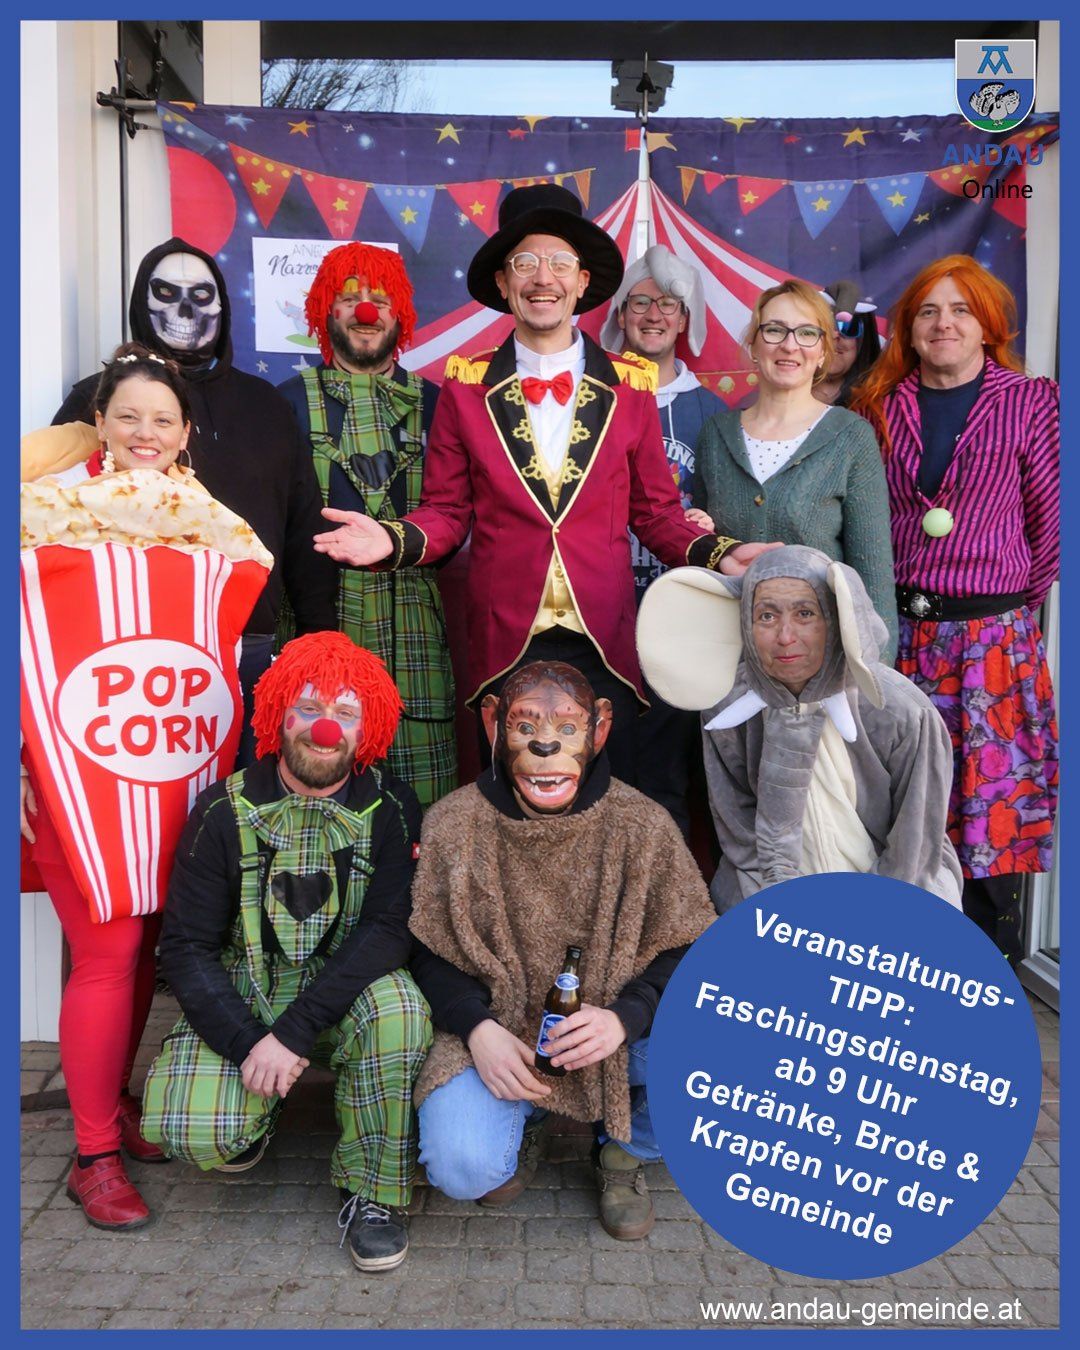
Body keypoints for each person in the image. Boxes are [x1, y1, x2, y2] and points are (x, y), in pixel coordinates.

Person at [310, 184, 777, 786]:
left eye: (558, 263)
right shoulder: (466, 385)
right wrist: (394, 540)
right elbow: (448, 511)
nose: (542, 278)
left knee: (603, 795)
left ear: (582, 282)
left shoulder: (631, 386)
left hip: (603, 632)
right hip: (505, 633)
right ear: (504, 284)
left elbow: (657, 512)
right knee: (511, 797)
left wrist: (722, 551)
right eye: (525, 263)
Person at [20, 343, 272, 1232]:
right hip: (77, 769)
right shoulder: (39, 512)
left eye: (162, 419)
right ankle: (92, 1156)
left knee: (151, 946)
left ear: (185, 432)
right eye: (128, 415)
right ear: (98, 421)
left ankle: (112, 1106)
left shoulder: (210, 518)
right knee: (109, 952)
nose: (145, 433)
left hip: (171, 768)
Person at [140, 632, 432, 1272]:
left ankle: (373, 1191)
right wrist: (250, 1044)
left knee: (402, 1010)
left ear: (368, 728)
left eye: (346, 713)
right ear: (277, 713)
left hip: (346, 994)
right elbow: (185, 947)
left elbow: (389, 931)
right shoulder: (220, 809)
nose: (325, 728)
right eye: (308, 707)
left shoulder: (394, 807)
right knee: (198, 1136)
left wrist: (295, 1033)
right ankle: (255, 1108)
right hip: (251, 989)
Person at [408, 660, 715, 1238]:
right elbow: (428, 945)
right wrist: (476, 1028)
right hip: (501, 1040)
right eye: (526, 727)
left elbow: (690, 940)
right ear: (494, 725)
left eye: (566, 728)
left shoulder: (642, 825)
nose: (546, 745)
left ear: (599, 729)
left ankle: (626, 1149)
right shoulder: (453, 822)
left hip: (610, 1040)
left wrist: (627, 1017)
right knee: (463, 1166)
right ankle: (525, 1117)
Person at [52, 237, 337, 762]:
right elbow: (49, 523)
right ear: (141, 302)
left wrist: (321, 644)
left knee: (235, 820)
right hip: (119, 652)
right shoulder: (95, 399)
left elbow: (302, 532)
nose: (185, 309)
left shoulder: (266, 406)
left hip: (244, 650)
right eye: (166, 292)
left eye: (201, 295)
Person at [850, 255, 1059, 963]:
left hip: (994, 641)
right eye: (929, 311)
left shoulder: (1031, 401)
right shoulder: (876, 407)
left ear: (989, 324)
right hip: (900, 641)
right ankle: (908, 967)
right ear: (907, 328)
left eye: (961, 310)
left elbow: (1052, 531)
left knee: (991, 817)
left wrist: (995, 613)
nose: (945, 324)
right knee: (906, 812)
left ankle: (985, 973)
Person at [637, 546, 963, 912]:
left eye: (805, 614)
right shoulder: (727, 709)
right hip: (771, 902)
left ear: (836, 616)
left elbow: (914, 844)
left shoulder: (898, 710)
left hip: (895, 900)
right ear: (745, 623)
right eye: (766, 616)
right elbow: (739, 834)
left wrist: (875, 920)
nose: (785, 636)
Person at [278, 243, 456, 810]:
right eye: (349, 299)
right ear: (324, 311)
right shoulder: (283, 406)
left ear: (400, 312)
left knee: (422, 809)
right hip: (317, 619)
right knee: (316, 786)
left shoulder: (442, 405)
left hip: (420, 626)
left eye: (379, 300)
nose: (365, 312)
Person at [693, 279, 897, 660]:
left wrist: (876, 677)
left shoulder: (851, 437)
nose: (790, 345)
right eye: (774, 330)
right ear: (753, 345)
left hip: (822, 669)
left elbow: (873, 575)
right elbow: (703, 556)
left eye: (807, 333)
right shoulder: (715, 436)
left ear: (823, 351)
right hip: (729, 661)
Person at [596, 243, 724, 836]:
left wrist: (714, 527)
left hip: (682, 622)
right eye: (640, 302)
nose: (653, 314)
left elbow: (735, 513)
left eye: (668, 304)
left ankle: (668, 917)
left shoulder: (713, 415)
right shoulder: (588, 396)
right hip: (601, 615)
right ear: (619, 314)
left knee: (670, 779)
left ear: (685, 319)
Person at [813, 279, 883, 409]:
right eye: (825, 325)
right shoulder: (778, 394)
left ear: (863, 341)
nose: (835, 336)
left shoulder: (881, 401)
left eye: (849, 327)